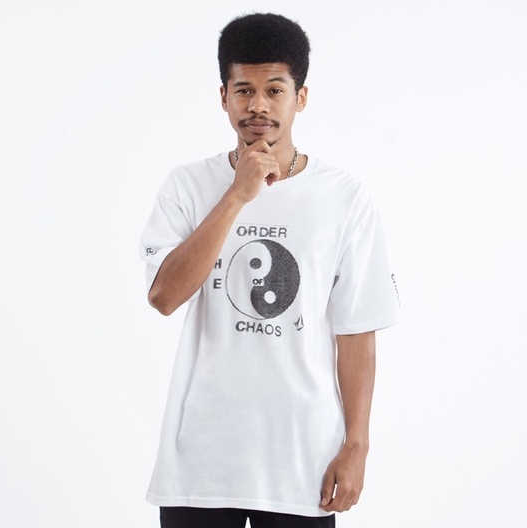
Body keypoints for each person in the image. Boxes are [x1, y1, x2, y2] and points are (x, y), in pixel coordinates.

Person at [140, 12, 401, 528]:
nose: (258, 105)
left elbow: (356, 332)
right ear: (223, 97)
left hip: (303, 462)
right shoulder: (187, 186)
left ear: (300, 97)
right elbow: (164, 296)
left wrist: (357, 445)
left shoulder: (344, 197)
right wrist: (237, 195)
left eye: (274, 90)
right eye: (244, 90)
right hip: (200, 462)